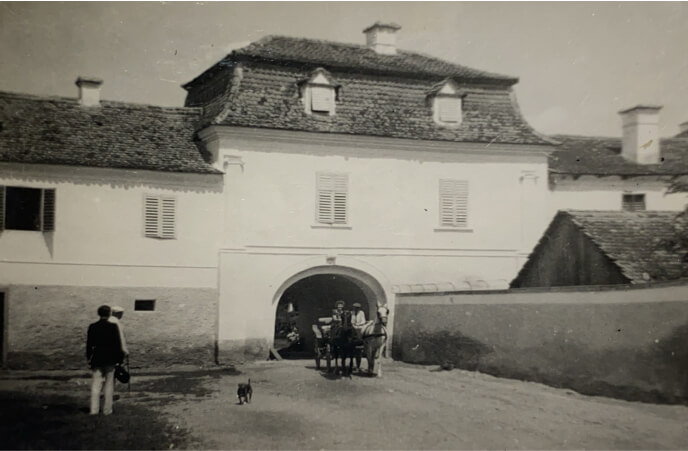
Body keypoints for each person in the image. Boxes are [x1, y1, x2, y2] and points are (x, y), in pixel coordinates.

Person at [86, 305, 124, 416]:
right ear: (109, 314)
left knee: (96, 384)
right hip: (110, 358)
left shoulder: (93, 326)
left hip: (97, 358)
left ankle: (94, 410)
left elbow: (89, 344)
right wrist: (119, 359)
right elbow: (117, 344)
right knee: (109, 385)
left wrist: (89, 358)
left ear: (99, 314)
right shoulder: (113, 327)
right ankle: (107, 410)